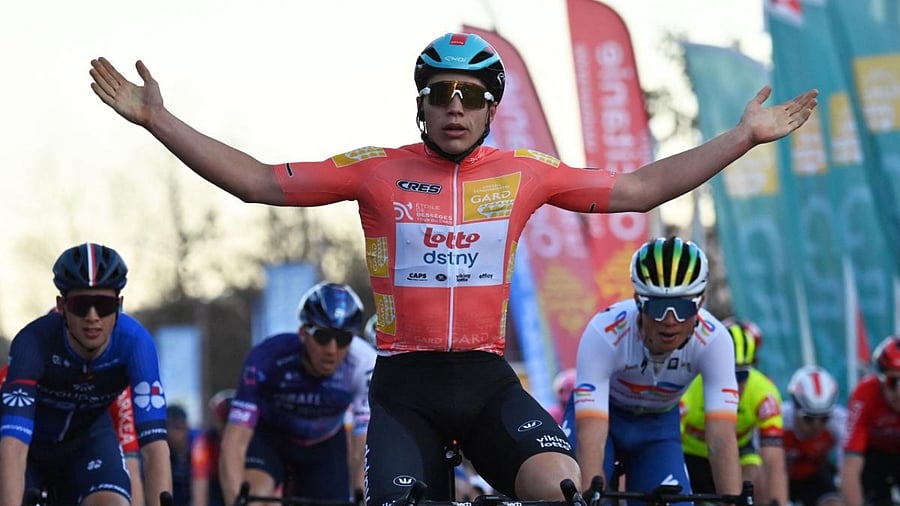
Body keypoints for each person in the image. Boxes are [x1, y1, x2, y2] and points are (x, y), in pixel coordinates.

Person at [89, 32, 817, 503]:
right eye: (441, 94)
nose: (456, 108)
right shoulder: (377, 171)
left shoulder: (526, 173)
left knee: (567, 490)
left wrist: (741, 138)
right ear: (423, 104)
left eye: (472, 97)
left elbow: (635, 189)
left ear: (492, 107)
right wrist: (161, 121)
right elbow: (258, 182)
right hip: (405, 386)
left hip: (485, 377)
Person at [566, 237, 742, 500]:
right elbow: (591, 429)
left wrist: (732, 502)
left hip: (658, 429)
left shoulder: (715, 341)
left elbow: (721, 438)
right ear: (638, 300)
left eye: (683, 307)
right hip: (604, 418)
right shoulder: (603, 332)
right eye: (658, 306)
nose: (670, 320)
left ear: (701, 302)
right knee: (574, 491)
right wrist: (591, 493)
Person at [0, 243, 172, 506]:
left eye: (103, 305)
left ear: (119, 305)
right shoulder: (33, 342)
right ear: (61, 306)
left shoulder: (136, 344)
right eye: (81, 305)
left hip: (88, 443)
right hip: (30, 445)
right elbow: (13, 445)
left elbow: (154, 447)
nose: (93, 317)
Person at [218, 282, 376, 505]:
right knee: (256, 497)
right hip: (270, 438)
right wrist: (236, 500)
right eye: (322, 336)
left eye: (343, 339)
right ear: (303, 333)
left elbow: (364, 444)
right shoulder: (268, 357)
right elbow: (235, 440)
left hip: (325, 445)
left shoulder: (363, 363)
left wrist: (362, 493)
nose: (332, 349)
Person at [680, 318, 789, 506]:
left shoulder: (764, 393)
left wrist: (778, 502)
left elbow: (774, 461)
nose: (735, 383)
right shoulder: (688, 388)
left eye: (742, 375)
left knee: (757, 481)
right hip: (689, 453)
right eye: (728, 372)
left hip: (738, 451)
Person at [840, 335, 900, 506]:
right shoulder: (864, 394)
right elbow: (851, 465)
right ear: (879, 379)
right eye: (893, 381)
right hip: (874, 460)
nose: (899, 392)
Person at [781, 365, 846, 506]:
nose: (816, 426)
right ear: (794, 407)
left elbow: (846, 468)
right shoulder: (779, 421)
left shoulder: (839, 421)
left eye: (824, 418)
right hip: (780, 476)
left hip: (815, 476)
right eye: (808, 418)